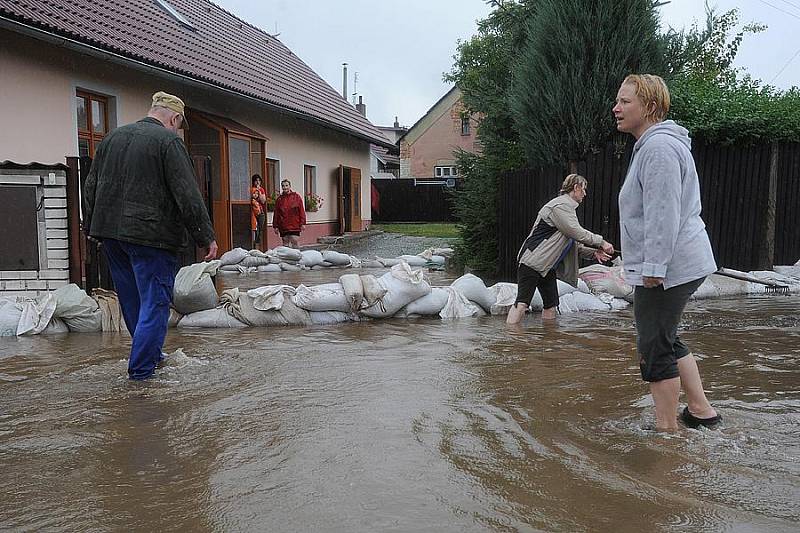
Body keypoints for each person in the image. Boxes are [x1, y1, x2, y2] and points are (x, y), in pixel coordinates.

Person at [83, 91, 218, 381]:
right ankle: (142, 374)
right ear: (174, 117)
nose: (178, 129)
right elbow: (187, 193)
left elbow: (90, 185)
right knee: (155, 302)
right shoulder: (168, 142)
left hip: (111, 236)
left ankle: (150, 355)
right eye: (179, 124)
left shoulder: (111, 138)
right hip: (151, 237)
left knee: (132, 302)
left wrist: (93, 229)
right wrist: (205, 235)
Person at [613, 74, 720, 431]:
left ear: (651, 107)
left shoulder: (658, 149)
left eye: (626, 102)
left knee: (654, 347)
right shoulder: (654, 146)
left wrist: (654, 266)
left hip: (667, 267)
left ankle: (665, 436)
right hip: (678, 262)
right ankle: (701, 412)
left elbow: (663, 212)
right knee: (666, 337)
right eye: (618, 101)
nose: (616, 108)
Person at [507, 174, 614, 324]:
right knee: (522, 303)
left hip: (547, 267)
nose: (585, 193)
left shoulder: (567, 209)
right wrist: (601, 242)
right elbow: (576, 232)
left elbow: (572, 244)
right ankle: (511, 338)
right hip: (532, 262)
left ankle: (549, 339)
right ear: (576, 188)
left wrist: (594, 253)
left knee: (551, 305)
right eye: (584, 189)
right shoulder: (561, 206)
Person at [272, 179, 306, 248]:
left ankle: (297, 256)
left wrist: (303, 223)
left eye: (286, 185)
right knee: (285, 243)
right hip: (283, 225)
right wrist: (275, 226)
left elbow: (301, 210)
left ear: (290, 186)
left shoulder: (296, 197)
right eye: (283, 186)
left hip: (294, 225)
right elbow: (276, 213)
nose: (285, 187)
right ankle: (286, 258)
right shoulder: (279, 199)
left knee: (294, 240)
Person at [250, 174, 267, 249]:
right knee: (254, 229)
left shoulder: (261, 190)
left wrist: (259, 192)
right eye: (256, 180)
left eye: (259, 180)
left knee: (259, 230)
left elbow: (263, 201)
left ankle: (258, 246)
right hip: (252, 212)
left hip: (260, 212)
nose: (257, 182)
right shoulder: (251, 189)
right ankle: (253, 245)